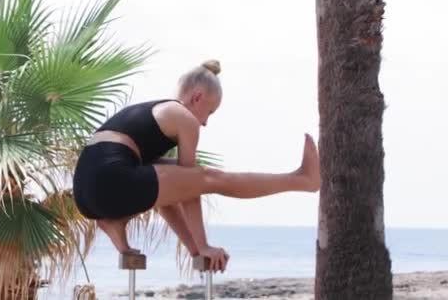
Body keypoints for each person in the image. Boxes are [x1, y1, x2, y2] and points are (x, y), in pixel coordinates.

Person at [72, 60, 320, 273]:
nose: (205, 123)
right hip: (110, 179)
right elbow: (191, 187)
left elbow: (168, 196)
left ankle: (114, 223)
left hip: (86, 190)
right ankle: (301, 180)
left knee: (171, 171)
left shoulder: (153, 112)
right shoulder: (184, 118)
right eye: (209, 112)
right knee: (210, 177)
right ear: (197, 97)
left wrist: (193, 249)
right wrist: (203, 246)